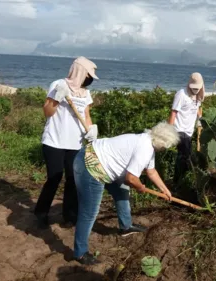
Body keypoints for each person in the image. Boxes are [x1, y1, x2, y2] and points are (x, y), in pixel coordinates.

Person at [72, 122, 179, 265]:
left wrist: (165, 190)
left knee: (122, 191)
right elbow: (130, 178)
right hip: (90, 165)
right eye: (166, 146)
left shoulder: (147, 140)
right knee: (89, 212)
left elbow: (151, 171)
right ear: (162, 143)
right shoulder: (145, 148)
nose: (165, 149)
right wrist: (140, 186)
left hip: (101, 161)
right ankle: (80, 253)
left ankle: (126, 226)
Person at [34, 56, 99, 228]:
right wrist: (57, 98)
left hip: (75, 143)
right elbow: (47, 112)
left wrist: (91, 129)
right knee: (54, 178)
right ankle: (41, 213)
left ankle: (70, 215)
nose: (89, 79)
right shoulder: (59, 85)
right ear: (79, 72)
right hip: (54, 141)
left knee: (73, 179)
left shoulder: (86, 93)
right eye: (88, 75)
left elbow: (86, 115)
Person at [168, 72, 205, 184]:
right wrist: (169, 132)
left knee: (184, 158)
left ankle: (180, 181)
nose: (195, 90)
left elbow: (197, 108)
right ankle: (178, 183)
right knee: (184, 157)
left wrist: (200, 119)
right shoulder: (182, 94)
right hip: (180, 130)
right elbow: (174, 113)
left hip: (189, 132)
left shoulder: (198, 95)